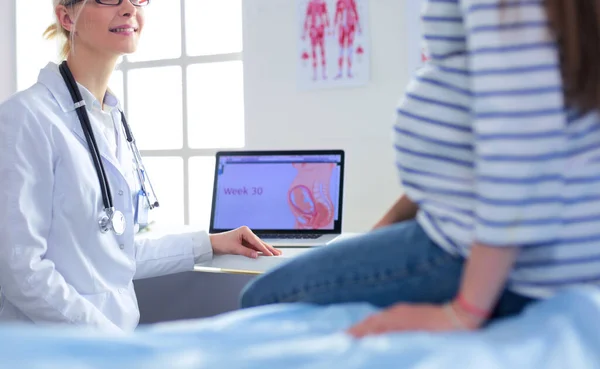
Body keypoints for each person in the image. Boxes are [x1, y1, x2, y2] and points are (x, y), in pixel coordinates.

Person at [240, 0, 600, 337]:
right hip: (490, 231)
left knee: (263, 301)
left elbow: (520, 137)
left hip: (511, 257)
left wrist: (464, 313)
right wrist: (380, 234)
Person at [0, 0, 280, 333]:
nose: (129, 8)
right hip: (53, 349)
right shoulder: (25, 117)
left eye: (136, 0)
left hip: (110, 339)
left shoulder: (110, 119)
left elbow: (116, 253)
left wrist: (208, 243)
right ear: (66, 15)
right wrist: (111, 343)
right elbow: (20, 268)